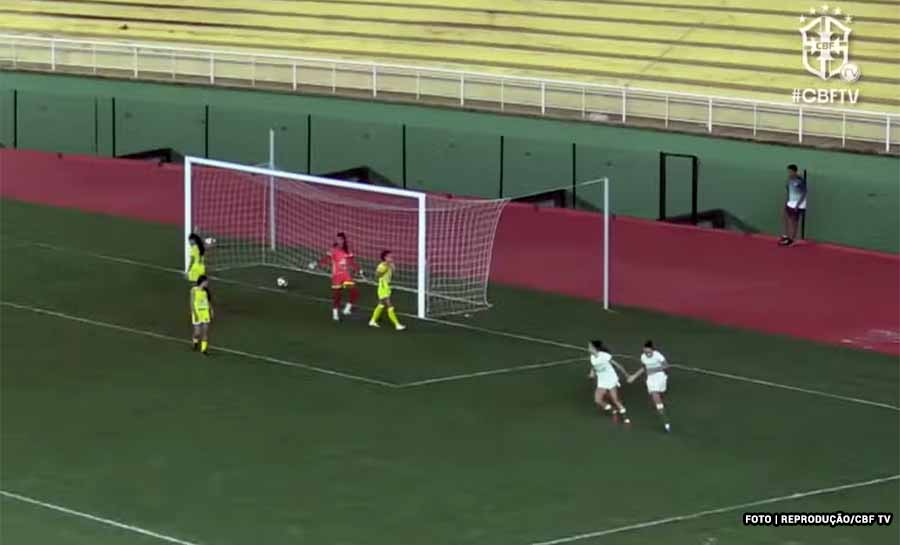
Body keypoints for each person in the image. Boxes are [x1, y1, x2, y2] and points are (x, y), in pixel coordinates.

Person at [310, 232, 362, 321]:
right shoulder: (333, 250)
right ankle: (335, 314)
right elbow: (326, 259)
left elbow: (351, 262)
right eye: (337, 239)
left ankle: (347, 309)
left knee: (354, 293)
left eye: (340, 239)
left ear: (344, 240)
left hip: (346, 275)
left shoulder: (348, 250)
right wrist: (316, 263)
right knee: (337, 296)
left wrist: (359, 270)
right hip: (337, 276)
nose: (338, 241)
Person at [627, 340, 671, 432]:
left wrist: (653, 370)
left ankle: (659, 405)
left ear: (652, 350)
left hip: (660, 377)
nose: (647, 354)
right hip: (651, 379)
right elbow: (644, 368)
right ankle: (665, 421)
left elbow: (666, 366)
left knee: (660, 394)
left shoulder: (658, 355)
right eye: (645, 352)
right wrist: (634, 376)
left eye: (649, 352)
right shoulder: (643, 357)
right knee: (655, 396)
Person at [587, 340, 630, 424]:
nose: (588, 348)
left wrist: (626, 375)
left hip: (611, 379)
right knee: (597, 400)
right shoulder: (592, 357)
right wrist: (591, 373)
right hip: (602, 380)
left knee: (615, 399)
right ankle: (613, 410)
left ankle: (625, 418)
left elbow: (617, 365)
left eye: (590, 347)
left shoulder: (604, 356)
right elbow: (594, 366)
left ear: (595, 348)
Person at [368, 250, 406, 331]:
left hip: (386, 286)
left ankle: (372, 321)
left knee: (381, 304)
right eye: (390, 256)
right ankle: (397, 324)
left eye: (392, 256)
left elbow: (395, 275)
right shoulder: (381, 266)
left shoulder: (390, 265)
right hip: (383, 286)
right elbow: (377, 275)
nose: (392, 258)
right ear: (385, 258)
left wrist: (393, 268)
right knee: (389, 305)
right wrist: (385, 269)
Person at [780, 164, 807, 246]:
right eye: (788, 171)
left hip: (798, 204)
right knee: (785, 217)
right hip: (790, 202)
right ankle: (786, 236)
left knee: (794, 222)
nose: (789, 173)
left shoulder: (800, 181)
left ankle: (792, 239)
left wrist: (797, 205)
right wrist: (786, 202)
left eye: (790, 171)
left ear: (795, 171)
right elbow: (788, 191)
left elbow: (804, 193)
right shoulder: (789, 180)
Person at [190, 275, 213, 355]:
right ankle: (195, 342)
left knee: (205, 332)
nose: (207, 283)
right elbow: (192, 303)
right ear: (202, 282)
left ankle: (204, 350)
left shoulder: (206, 291)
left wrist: (211, 310)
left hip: (205, 312)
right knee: (197, 332)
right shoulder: (193, 290)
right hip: (197, 312)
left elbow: (208, 302)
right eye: (206, 281)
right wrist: (195, 313)